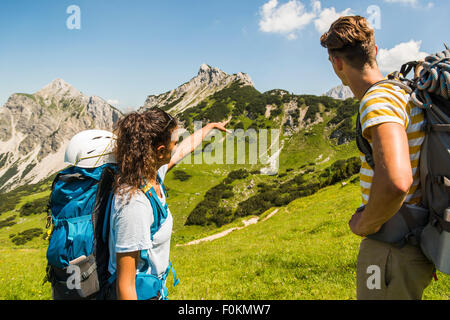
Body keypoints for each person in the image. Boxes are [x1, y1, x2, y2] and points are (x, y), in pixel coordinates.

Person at [320, 16, 434, 300]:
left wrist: (365, 224)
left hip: (391, 247)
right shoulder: (403, 92)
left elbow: (397, 181)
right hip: (414, 240)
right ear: (376, 51)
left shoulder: (377, 101)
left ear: (337, 63)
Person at [108, 107, 230, 300]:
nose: (177, 146)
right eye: (174, 142)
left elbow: (185, 148)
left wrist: (210, 127)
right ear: (161, 151)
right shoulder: (134, 204)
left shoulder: (152, 175)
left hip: (153, 290)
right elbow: (125, 286)